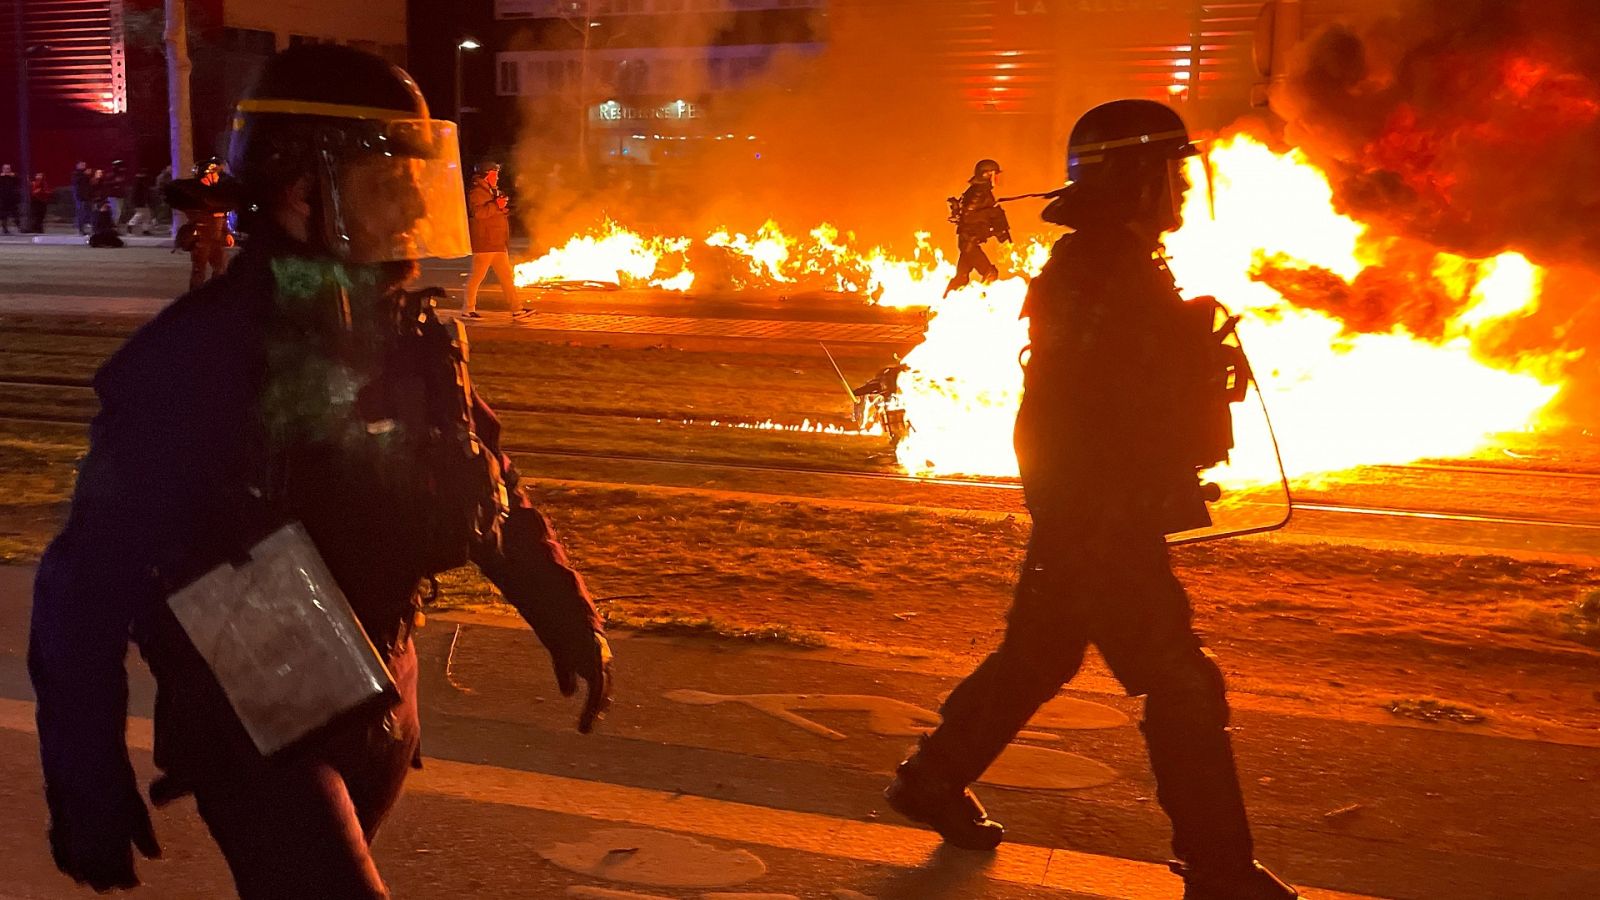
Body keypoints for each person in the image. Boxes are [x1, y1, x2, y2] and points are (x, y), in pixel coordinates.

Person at [29, 43, 613, 898]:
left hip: (387, 680)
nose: (411, 210)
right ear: (303, 188)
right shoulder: (194, 359)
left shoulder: (408, 331)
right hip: (256, 702)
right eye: (388, 186)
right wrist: (84, 777)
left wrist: (564, 607)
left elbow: (485, 475)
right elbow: (83, 585)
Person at [882, 100, 1297, 900]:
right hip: (1101, 516)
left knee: (1038, 657)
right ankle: (1219, 869)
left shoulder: (1119, 265)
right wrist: (1108, 510)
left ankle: (931, 783)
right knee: (1180, 681)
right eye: (1169, 173)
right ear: (1135, 179)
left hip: (1093, 509)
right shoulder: (1103, 272)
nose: (1180, 189)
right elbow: (1083, 412)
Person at [461, 161, 528, 320]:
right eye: (494, 174)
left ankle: (517, 309)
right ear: (487, 174)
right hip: (485, 243)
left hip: (496, 242)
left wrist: (501, 206)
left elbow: (492, 212)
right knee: (476, 277)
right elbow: (478, 214)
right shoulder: (476, 191)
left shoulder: (490, 191)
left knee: (506, 278)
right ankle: (467, 309)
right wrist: (496, 205)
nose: (497, 177)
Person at [165, 158, 238, 290]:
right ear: (207, 174)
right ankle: (194, 297)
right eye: (215, 173)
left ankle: (216, 294)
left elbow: (222, 216)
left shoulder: (218, 194)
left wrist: (226, 233)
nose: (217, 176)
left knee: (221, 269)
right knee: (199, 271)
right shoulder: (195, 194)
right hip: (201, 238)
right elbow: (194, 211)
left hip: (216, 239)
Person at [944, 158, 1010, 296]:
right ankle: (983, 304)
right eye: (994, 174)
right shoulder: (979, 191)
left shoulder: (978, 190)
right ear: (987, 175)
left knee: (961, 279)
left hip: (968, 242)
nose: (997, 178)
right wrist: (994, 214)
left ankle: (942, 305)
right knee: (990, 274)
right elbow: (969, 215)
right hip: (970, 242)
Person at [125, 170, 156, 235]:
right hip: (139, 203)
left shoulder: (140, 184)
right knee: (140, 215)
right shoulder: (139, 185)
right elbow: (139, 195)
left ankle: (145, 229)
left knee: (146, 216)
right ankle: (130, 226)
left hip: (139, 202)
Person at [71, 162, 93, 234]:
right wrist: (85, 174)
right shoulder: (77, 174)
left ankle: (84, 226)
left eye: (84, 165)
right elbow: (76, 182)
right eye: (82, 165)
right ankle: (80, 228)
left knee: (86, 212)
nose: (84, 166)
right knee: (81, 211)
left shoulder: (86, 175)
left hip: (86, 197)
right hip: (80, 197)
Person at [0, 164, 21, 233]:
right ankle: (4, 228)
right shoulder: (1, 177)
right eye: (5, 169)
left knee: (15, 213)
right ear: (3, 169)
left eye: (8, 168)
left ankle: (20, 227)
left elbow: (19, 181)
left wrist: (14, 175)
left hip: (12, 199)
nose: (7, 170)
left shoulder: (13, 177)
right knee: (4, 215)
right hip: (3, 199)